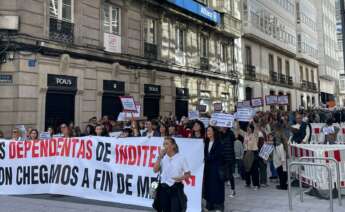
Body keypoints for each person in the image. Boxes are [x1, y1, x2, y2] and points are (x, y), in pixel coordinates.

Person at [153, 137, 190, 212]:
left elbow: (188, 174)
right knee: (164, 209)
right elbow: (155, 170)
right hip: (163, 188)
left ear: (173, 146)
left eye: (166, 144)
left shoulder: (181, 158)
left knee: (175, 209)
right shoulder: (162, 158)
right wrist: (159, 157)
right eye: (164, 144)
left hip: (175, 188)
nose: (164, 146)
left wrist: (180, 178)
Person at [204, 126, 225, 211]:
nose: (208, 132)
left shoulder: (219, 142)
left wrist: (206, 158)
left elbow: (217, 155)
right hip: (208, 169)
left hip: (216, 169)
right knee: (209, 187)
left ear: (214, 132)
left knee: (217, 187)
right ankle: (210, 205)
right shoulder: (206, 142)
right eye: (207, 131)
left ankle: (219, 206)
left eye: (209, 130)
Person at [238, 123, 260, 190]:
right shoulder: (245, 134)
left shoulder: (254, 135)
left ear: (252, 129)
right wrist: (237, 121)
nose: (248, 129)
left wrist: (253, 121)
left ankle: (256, 185)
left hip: (253, 152)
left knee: (254, 169)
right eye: (247, 128)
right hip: (246, 152)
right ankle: (248, 183)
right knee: (246, 168)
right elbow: (238, 130)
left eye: (249, 128)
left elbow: (256, 129)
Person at [219, 127, 236, 197]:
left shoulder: (230, 133)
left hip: (229, 157)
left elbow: (235, 137)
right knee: (221, 175)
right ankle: (221, 191)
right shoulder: (219, 134)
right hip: (221, 158)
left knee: (230, 175)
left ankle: (233, 190)